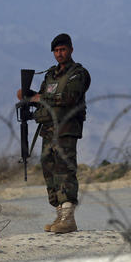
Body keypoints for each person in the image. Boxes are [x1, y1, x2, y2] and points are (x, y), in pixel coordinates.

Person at [15, 33, 90, 234]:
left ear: (71, 50)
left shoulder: (78, 73)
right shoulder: (50, 75)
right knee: (49, 170)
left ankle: (69, 217)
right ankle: (59, 214)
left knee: (65, 169)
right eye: (56, 51)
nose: (59, 54)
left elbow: (69, 97)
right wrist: (28, 96)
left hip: (66, 129)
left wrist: (40, 97)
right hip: (48, 130)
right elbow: (42, 98)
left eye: (63, 50)